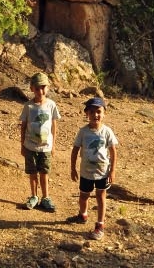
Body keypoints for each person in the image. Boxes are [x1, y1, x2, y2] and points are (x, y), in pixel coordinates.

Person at [68, 95, 118, 241]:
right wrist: (72, 168)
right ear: (87, 114)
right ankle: (83, 215)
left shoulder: (107, 131)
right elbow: (75, 149)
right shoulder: (83, 131)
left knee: (101, 197)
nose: (95, 115)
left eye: (99, 111)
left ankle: (100, 225)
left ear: (104, 113)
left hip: (103, 172)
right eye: (92, 112)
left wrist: (113, 170)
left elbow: (113, 151)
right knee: (83, 196)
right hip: (86, 172)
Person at [19, 70, 60, 211]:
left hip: (46, 147)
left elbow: (54, 126)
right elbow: (23, 126)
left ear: (47, 88)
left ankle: (46, 197)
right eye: (37, 88)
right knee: (32, 172)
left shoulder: (51, 105)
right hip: (30, 146)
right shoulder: (28, 106)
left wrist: (53, 145)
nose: (40, 91)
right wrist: (22, 145)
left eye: (43, 87)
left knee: (44, 172)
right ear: (32, 89)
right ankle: (34, 196)